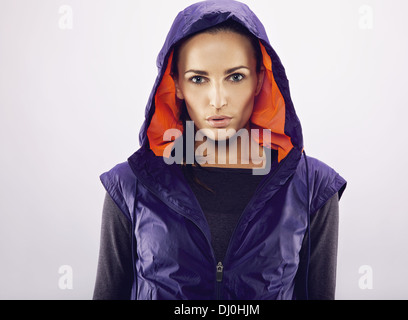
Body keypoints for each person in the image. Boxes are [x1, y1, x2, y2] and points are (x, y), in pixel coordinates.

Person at [93, 0, 347, 300]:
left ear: (260, 80)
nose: (217, 99)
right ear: (174, 84)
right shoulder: (130, 185)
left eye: (235, 76)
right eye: (198, 79)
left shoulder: (313, 187)